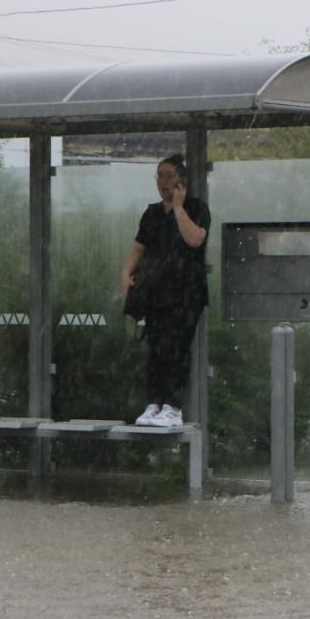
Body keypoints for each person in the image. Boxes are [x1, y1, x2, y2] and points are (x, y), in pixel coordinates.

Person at [120, 154, 210, 427]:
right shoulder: (151, 213)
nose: (163, 182)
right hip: (156, 292)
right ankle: (154, 403)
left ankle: (173, 406)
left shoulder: (196, 208)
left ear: (182, 180)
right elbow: (139, 248)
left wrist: (179, 208)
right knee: (156, 347)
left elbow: (195, 239)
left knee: (177, 347)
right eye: (159, 175)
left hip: (186, 293)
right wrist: (126, 273)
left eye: (169, 176)